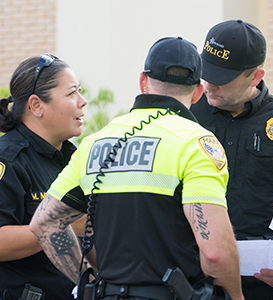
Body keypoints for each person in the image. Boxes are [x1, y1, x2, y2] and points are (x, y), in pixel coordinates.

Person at [29, 37, 244, 300]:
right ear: (198, 92)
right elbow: (215, 253)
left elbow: (44, 223)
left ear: (143, 81)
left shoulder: (94, 143)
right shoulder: (196, 143)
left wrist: (89, 282)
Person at [190, 19, 273, 300]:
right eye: (207, 71)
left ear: (255, 76)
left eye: (222, 77)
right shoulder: (186, 117)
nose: (209, 84)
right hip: (195, 284)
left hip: (270, 287)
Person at [0, 54, 88, 300]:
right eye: (72, 93)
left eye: (80, 92)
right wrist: (61, 224)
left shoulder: (74, 159)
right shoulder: (8, 159)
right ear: (36, 105)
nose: (83, 101)